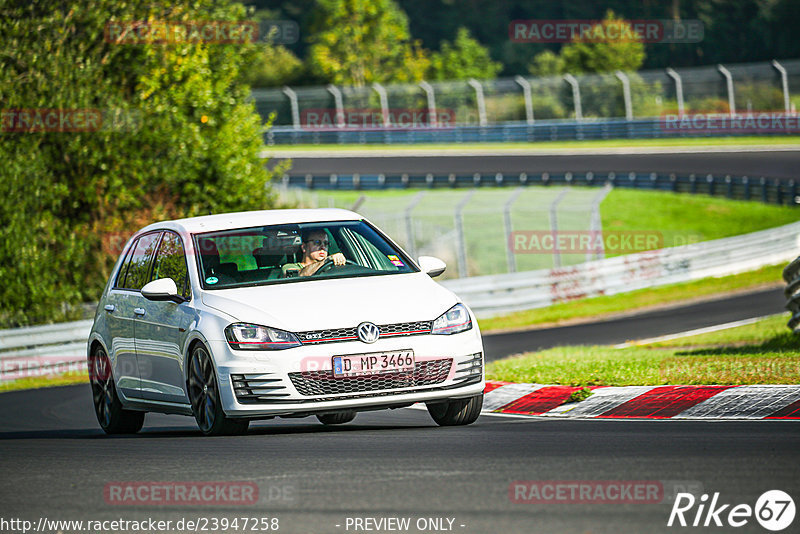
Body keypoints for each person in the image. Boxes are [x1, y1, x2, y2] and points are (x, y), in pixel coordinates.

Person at [282, 229, 346, 277]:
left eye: (326, 243)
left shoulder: (333, 267)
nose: (323, 247)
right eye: (317, 242)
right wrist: (326, 261)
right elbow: (300, 274)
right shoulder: (288, 267)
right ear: (304, 247)